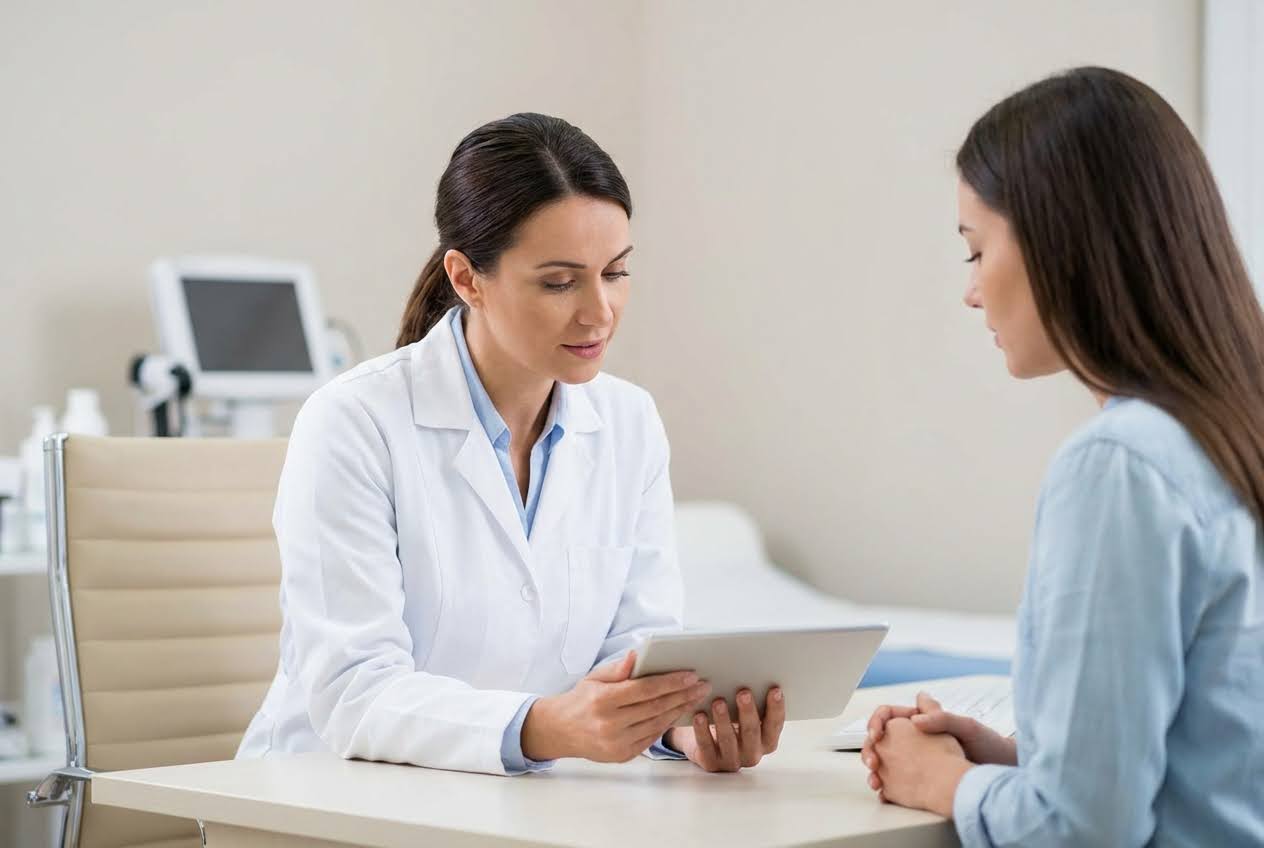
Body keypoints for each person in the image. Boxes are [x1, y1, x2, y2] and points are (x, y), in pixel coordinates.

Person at [238, 113, 785, 776]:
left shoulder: (629, 421)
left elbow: (635, 648)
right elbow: (354, 693)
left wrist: (677, 730)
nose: (599, 312)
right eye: (559, 281)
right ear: (467, 279)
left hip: (521, 806)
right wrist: (545, 725)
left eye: (615, 273)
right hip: (330, 798)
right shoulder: (354, 421)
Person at [861, 68, 1264, 845]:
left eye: (976, 251)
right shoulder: (1232, 432)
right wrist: (1021, 760)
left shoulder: (1121, 465)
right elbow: (1221, 757)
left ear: (1059, 241)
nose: (971, 293)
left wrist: (948, 785)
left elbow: (1082, 831)